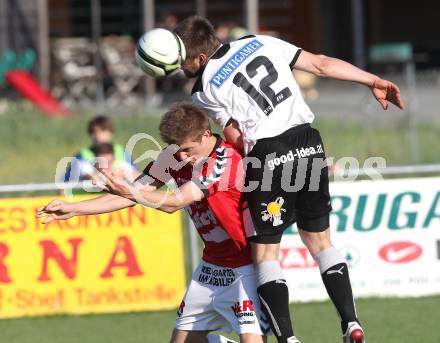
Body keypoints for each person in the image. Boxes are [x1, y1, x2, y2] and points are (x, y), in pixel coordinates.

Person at [171, 15, 405, 343]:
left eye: (183, 62)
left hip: (268, 152)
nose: (182, 69)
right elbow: (321, 64)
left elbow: (236, 136)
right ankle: (350, 322)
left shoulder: (203, 87)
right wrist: (371, 80)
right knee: (321, 242)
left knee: (266, 256)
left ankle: (289, 339)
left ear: (199, 58)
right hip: (308, 142)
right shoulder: (261, 41)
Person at [37, 103, 269, 343]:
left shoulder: (223, 161)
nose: (181, 157)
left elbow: (174, 203)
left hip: (246, 267)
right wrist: (74, 208)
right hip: (211, 268)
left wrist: (130, 192)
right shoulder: (172, 157)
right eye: (175, 149)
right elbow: (134, 194)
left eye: (187, 149)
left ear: (206, 135)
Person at [63, 115, 136, 184]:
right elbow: (68, 182)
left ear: (111, 132)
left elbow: (134, 177)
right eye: (95, 132)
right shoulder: (81, 156)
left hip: (117, 195)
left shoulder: (123, 153)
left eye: (103, 131)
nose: (99, 135)